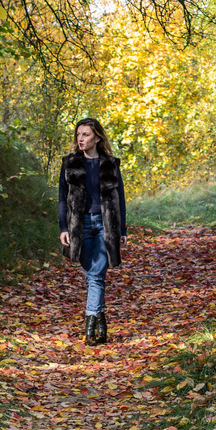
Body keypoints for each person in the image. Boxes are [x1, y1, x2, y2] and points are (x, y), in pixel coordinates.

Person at [58, 118, 127, 346]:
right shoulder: (70, 163)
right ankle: (101, 322)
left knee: (96, 276)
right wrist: (63, 228)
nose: (80, 139)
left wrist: (122, 229)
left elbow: (121, 199)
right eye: (78, 134)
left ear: (97, 137)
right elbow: (62, 198)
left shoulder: (110, 164)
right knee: (92, 276)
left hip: (106, 225)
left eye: (86, 135)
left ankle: (89, 328)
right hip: (80, 226)